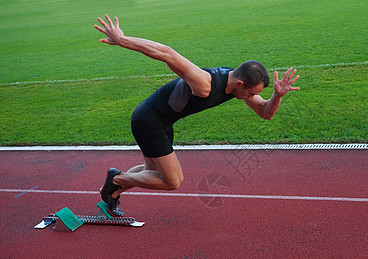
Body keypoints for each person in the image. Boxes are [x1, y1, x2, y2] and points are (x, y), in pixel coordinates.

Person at [94, 15, 300, 217]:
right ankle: (117, 180)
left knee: (151, 171)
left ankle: (114, 188)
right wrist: (122, 40)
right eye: (252, 93)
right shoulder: (205, 83)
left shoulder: (235, 84)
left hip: (163, 121)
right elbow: (167, 53)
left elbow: (265, 112)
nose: (253, 97)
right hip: (149, 121)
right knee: (172, 181)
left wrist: (277, 95)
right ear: (240, 84)